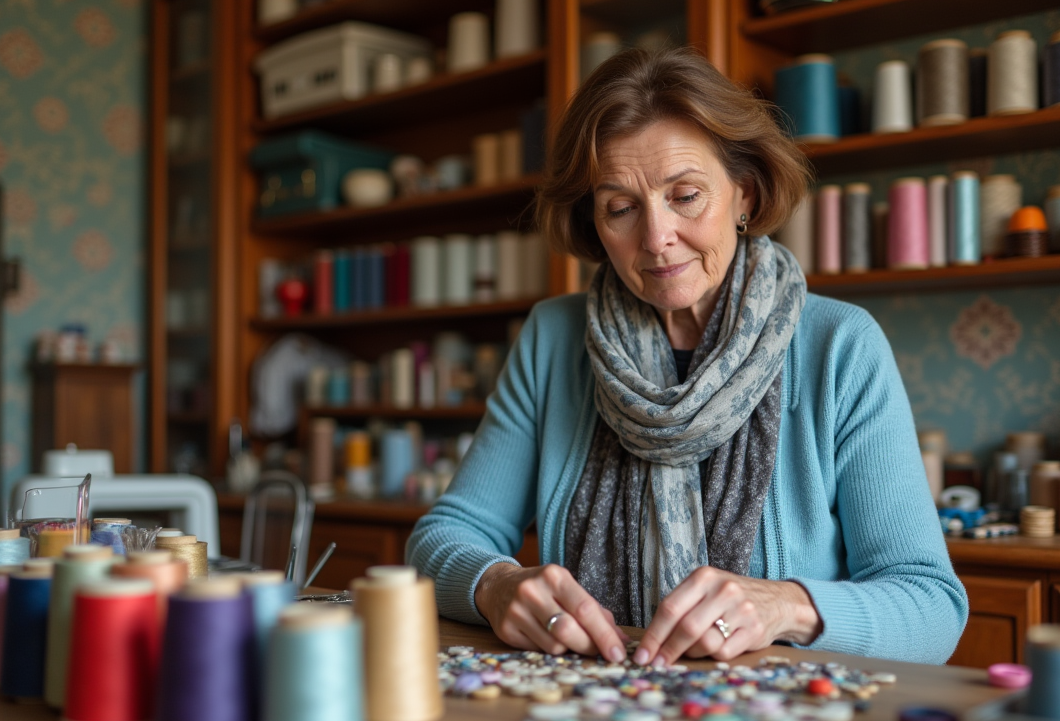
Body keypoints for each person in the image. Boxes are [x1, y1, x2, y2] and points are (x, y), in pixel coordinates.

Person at [406, 47, 968, 666]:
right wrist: (495, 584)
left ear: (745, 194)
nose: (656, 238)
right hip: (586, 720)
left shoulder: (841, 345)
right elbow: (442, 537)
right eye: (621, 208)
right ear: (594, 225)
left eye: (686, 195)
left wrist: (785, 606)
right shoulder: (552, 338)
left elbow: (931, 606)